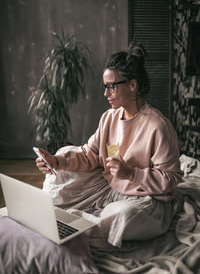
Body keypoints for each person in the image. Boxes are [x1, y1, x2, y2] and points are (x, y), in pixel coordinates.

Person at [36, 43, 183, 248]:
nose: (106, 94)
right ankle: (85, 222)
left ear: (133, 85)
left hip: (146, 199)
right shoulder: (109, 118)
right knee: (64, 155)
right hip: (108, 189)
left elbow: (172, 178)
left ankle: (78, 225)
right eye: (105, 87)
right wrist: (57, 161)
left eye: (111, 87)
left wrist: (132, 174)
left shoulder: (158, 126)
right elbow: (91, 154)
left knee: (124, 216)